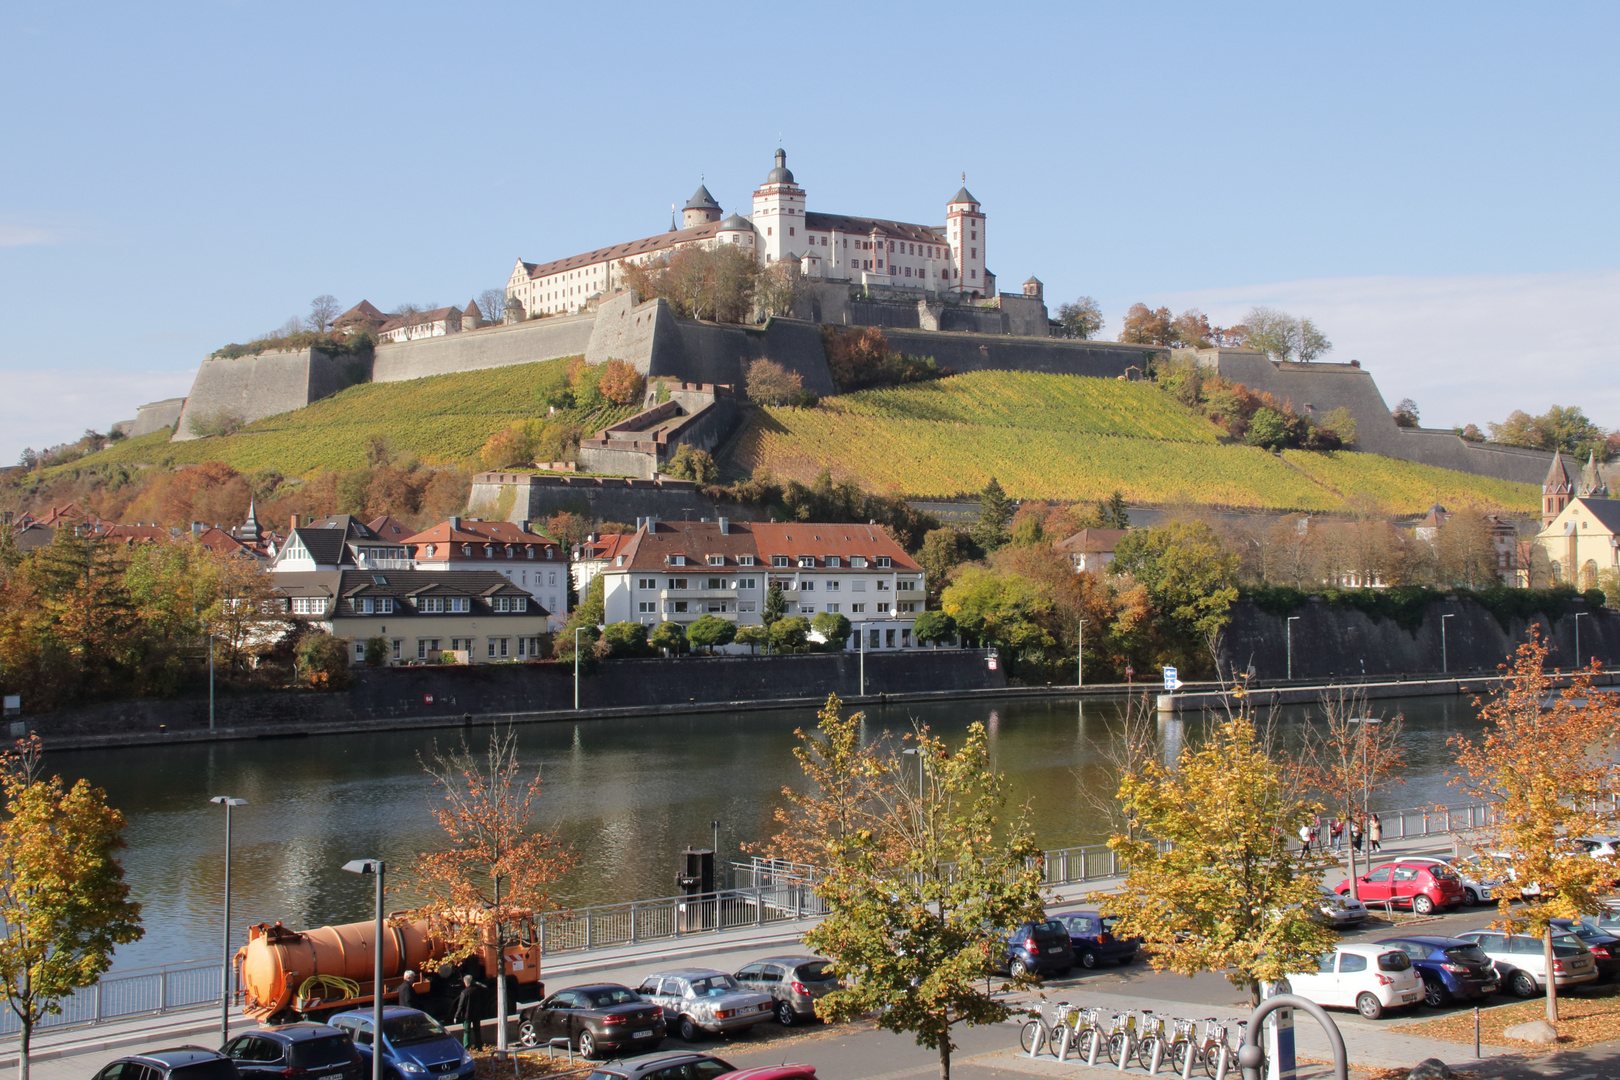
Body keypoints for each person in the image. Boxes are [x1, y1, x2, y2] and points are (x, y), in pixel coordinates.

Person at [455, 974, 486, 1050]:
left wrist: (456, 1016)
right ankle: (479, 1046)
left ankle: (466, 1047)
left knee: (466, 1032)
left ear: (465, 983)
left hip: (467, 1015)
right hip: (476, 1014)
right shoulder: (477, 990)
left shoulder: (464, 993)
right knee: (477, 1030)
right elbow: (485, 989)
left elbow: (461, 1005)